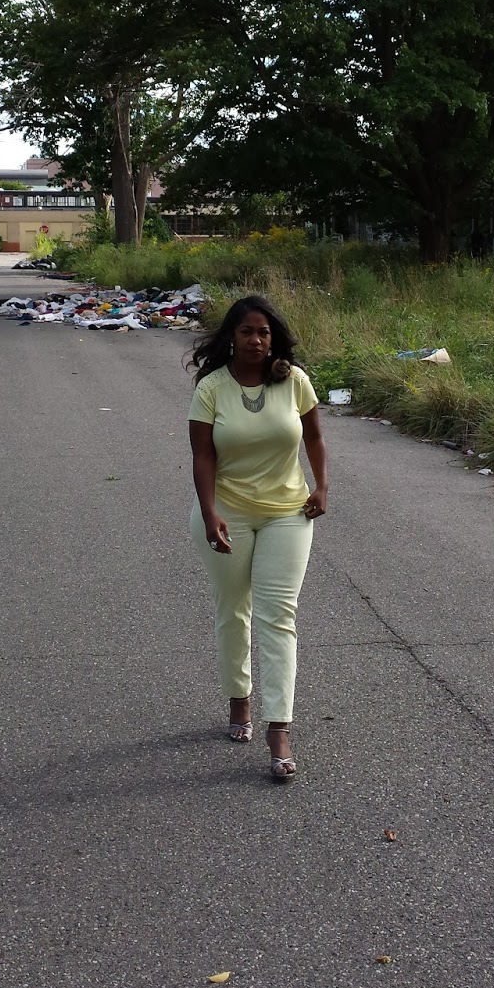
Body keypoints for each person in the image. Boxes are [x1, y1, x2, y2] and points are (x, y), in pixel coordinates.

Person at [188, 295, 328, 780]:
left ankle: (279, 728)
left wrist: (321, 485)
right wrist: (209, 512)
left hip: (288, 512)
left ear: (274, 338)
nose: (256, 340)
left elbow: (314, 437)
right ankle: (239, 699)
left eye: (264, 332)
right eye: (247, 331)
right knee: (233, 610)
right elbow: (202, 456)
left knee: (279, 616)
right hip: (226, 513)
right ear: (231, 336)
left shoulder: (295, 381)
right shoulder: (212, 388)